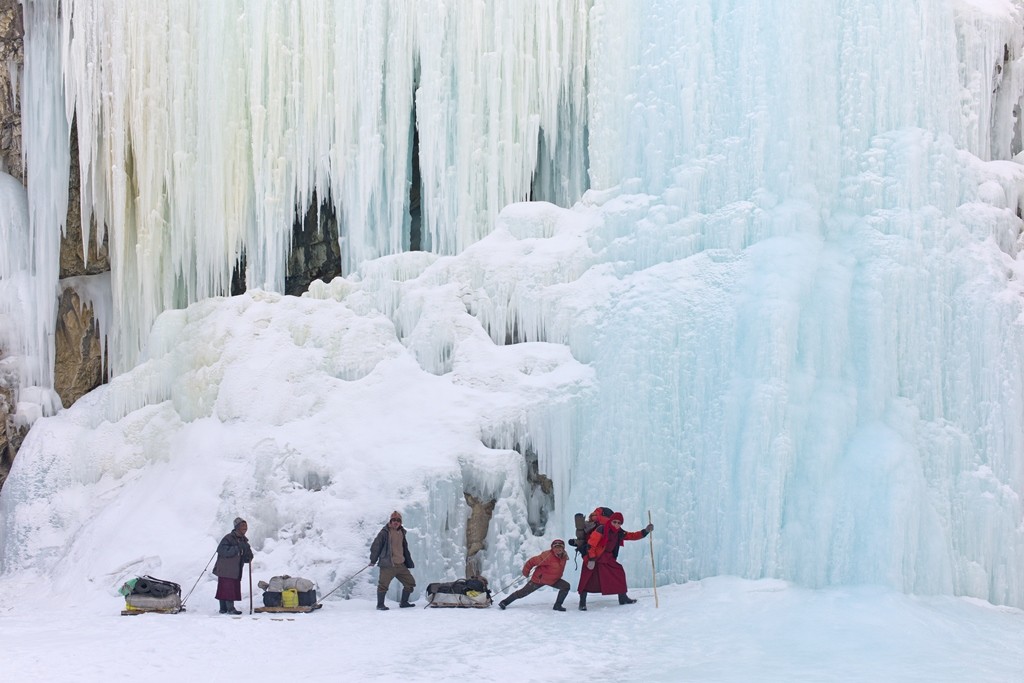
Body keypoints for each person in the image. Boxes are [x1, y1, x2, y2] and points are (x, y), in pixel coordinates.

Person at [577, 511, 653, 611]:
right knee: (587, 579)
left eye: (619, 523)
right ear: (611, 521)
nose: (617, 524)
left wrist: (646, 531)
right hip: (595, 557)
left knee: (619, 572)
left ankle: (623, 598)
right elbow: (592, 544)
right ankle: (582, 602)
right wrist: (591, 558)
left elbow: (631, 536)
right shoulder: (601, 529)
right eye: (615, 522)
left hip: (608, 558)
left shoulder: (619, 532)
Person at [498, 539, 571, 611]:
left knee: (566, 586)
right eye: (556, 547)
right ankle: (504, 602)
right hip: (539, 580)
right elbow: (532, 561)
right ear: (552, 548)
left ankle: (557, 606)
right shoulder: (547, 556)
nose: (558, 549)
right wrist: (526, 571)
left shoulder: (564, 557)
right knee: (523, 592)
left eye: (560, 547)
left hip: (553, 580)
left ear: (563, 548)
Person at [369, 511, 416, 611]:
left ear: (400, 522)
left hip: (401, 565)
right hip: (388, 565)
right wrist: (373, 560)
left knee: (410, 583)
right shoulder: (384, 532)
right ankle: (380, 605)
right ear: (390, 521)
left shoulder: (402, 532)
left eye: (398, 520)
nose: (396, 522)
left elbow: (404, 548)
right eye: (394, 520)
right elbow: (376, 546)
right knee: (383, 585)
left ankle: (404, 602)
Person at [213, 517, 254, 615]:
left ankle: (223, 609)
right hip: (226, 569)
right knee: (227, 588)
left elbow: (247, 555)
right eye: (242, 526)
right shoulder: (228, 538)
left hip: (234, 569)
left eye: (245, 526)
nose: (245, 527)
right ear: (237, 527)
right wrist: (237, 548)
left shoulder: (243, 540)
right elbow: (222, 551)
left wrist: (248, 556)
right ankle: (229, 608)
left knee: (227, 588)